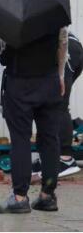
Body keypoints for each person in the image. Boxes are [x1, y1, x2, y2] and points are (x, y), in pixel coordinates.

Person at [0, 25, 68, 214]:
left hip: (20, 82)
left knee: (20, 139)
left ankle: (20, 197)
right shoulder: (54, 14)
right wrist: (61, 75)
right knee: (50, 138)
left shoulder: (9, 16)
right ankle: (47, 195)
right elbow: (63, 44)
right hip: (50, 80)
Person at [32, 32, 82, 178]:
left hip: (65, 48)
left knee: (59, 104)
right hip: (57, 48)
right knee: (45, 106)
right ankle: (47, 157)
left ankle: (65, 159)